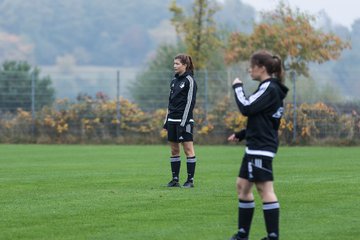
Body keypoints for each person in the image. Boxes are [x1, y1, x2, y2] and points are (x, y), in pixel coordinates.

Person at [229, 50, 288, 240]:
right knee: (243, 186)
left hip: (261, 147)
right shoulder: (270, 89)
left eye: (251, 66)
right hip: (256, 145)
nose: (249, 70)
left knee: (265, 190)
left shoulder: (269, 88)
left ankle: (272, 236)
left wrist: (238, 87)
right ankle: (242, 234)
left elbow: (246, 107)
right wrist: (242, 134)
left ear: (261, 68)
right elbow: (263, 120)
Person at [163, 53, 197, 188]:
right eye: (174, 63)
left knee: (188, 149)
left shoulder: (190, 81)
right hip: (172, 119)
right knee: (174, 150)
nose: (174, 66)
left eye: (177, 64)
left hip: (185, 121)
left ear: (185, 65)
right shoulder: (174, 81)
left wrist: (184, 122)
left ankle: (190, 180)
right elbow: (170, 102)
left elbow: (190, 103)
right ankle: (175, 179)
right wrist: (166, 120)